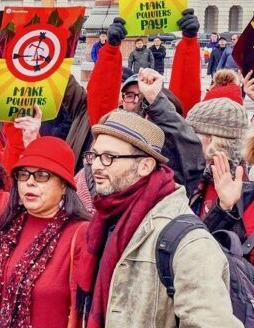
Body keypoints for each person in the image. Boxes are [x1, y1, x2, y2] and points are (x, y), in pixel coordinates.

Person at [77, 110, 242, 328]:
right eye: (93, 156)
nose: (96, 166)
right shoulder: (105, 219)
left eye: (109, 157)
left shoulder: (187, 240)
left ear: (145, 166)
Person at [0, 137, 90, 328]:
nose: (30, 182)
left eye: (42, 175)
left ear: (63, 185)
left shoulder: (80, 234)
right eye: (23, 174)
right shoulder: (5, 227)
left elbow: (83, 319)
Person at [88, 14, 205, 196]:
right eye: (130, 95)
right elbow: (100, 101)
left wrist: (189, 44)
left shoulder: (173, 143)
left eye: (144, 97)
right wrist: (110, 51)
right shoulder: (110, 135)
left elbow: (185, 101)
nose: (137, 101)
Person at [184, 97, 248, 217]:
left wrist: (225, 209)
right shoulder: (196, 173)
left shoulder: (240, 190)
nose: (187, 140)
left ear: (213, 142)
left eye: (193, 134)